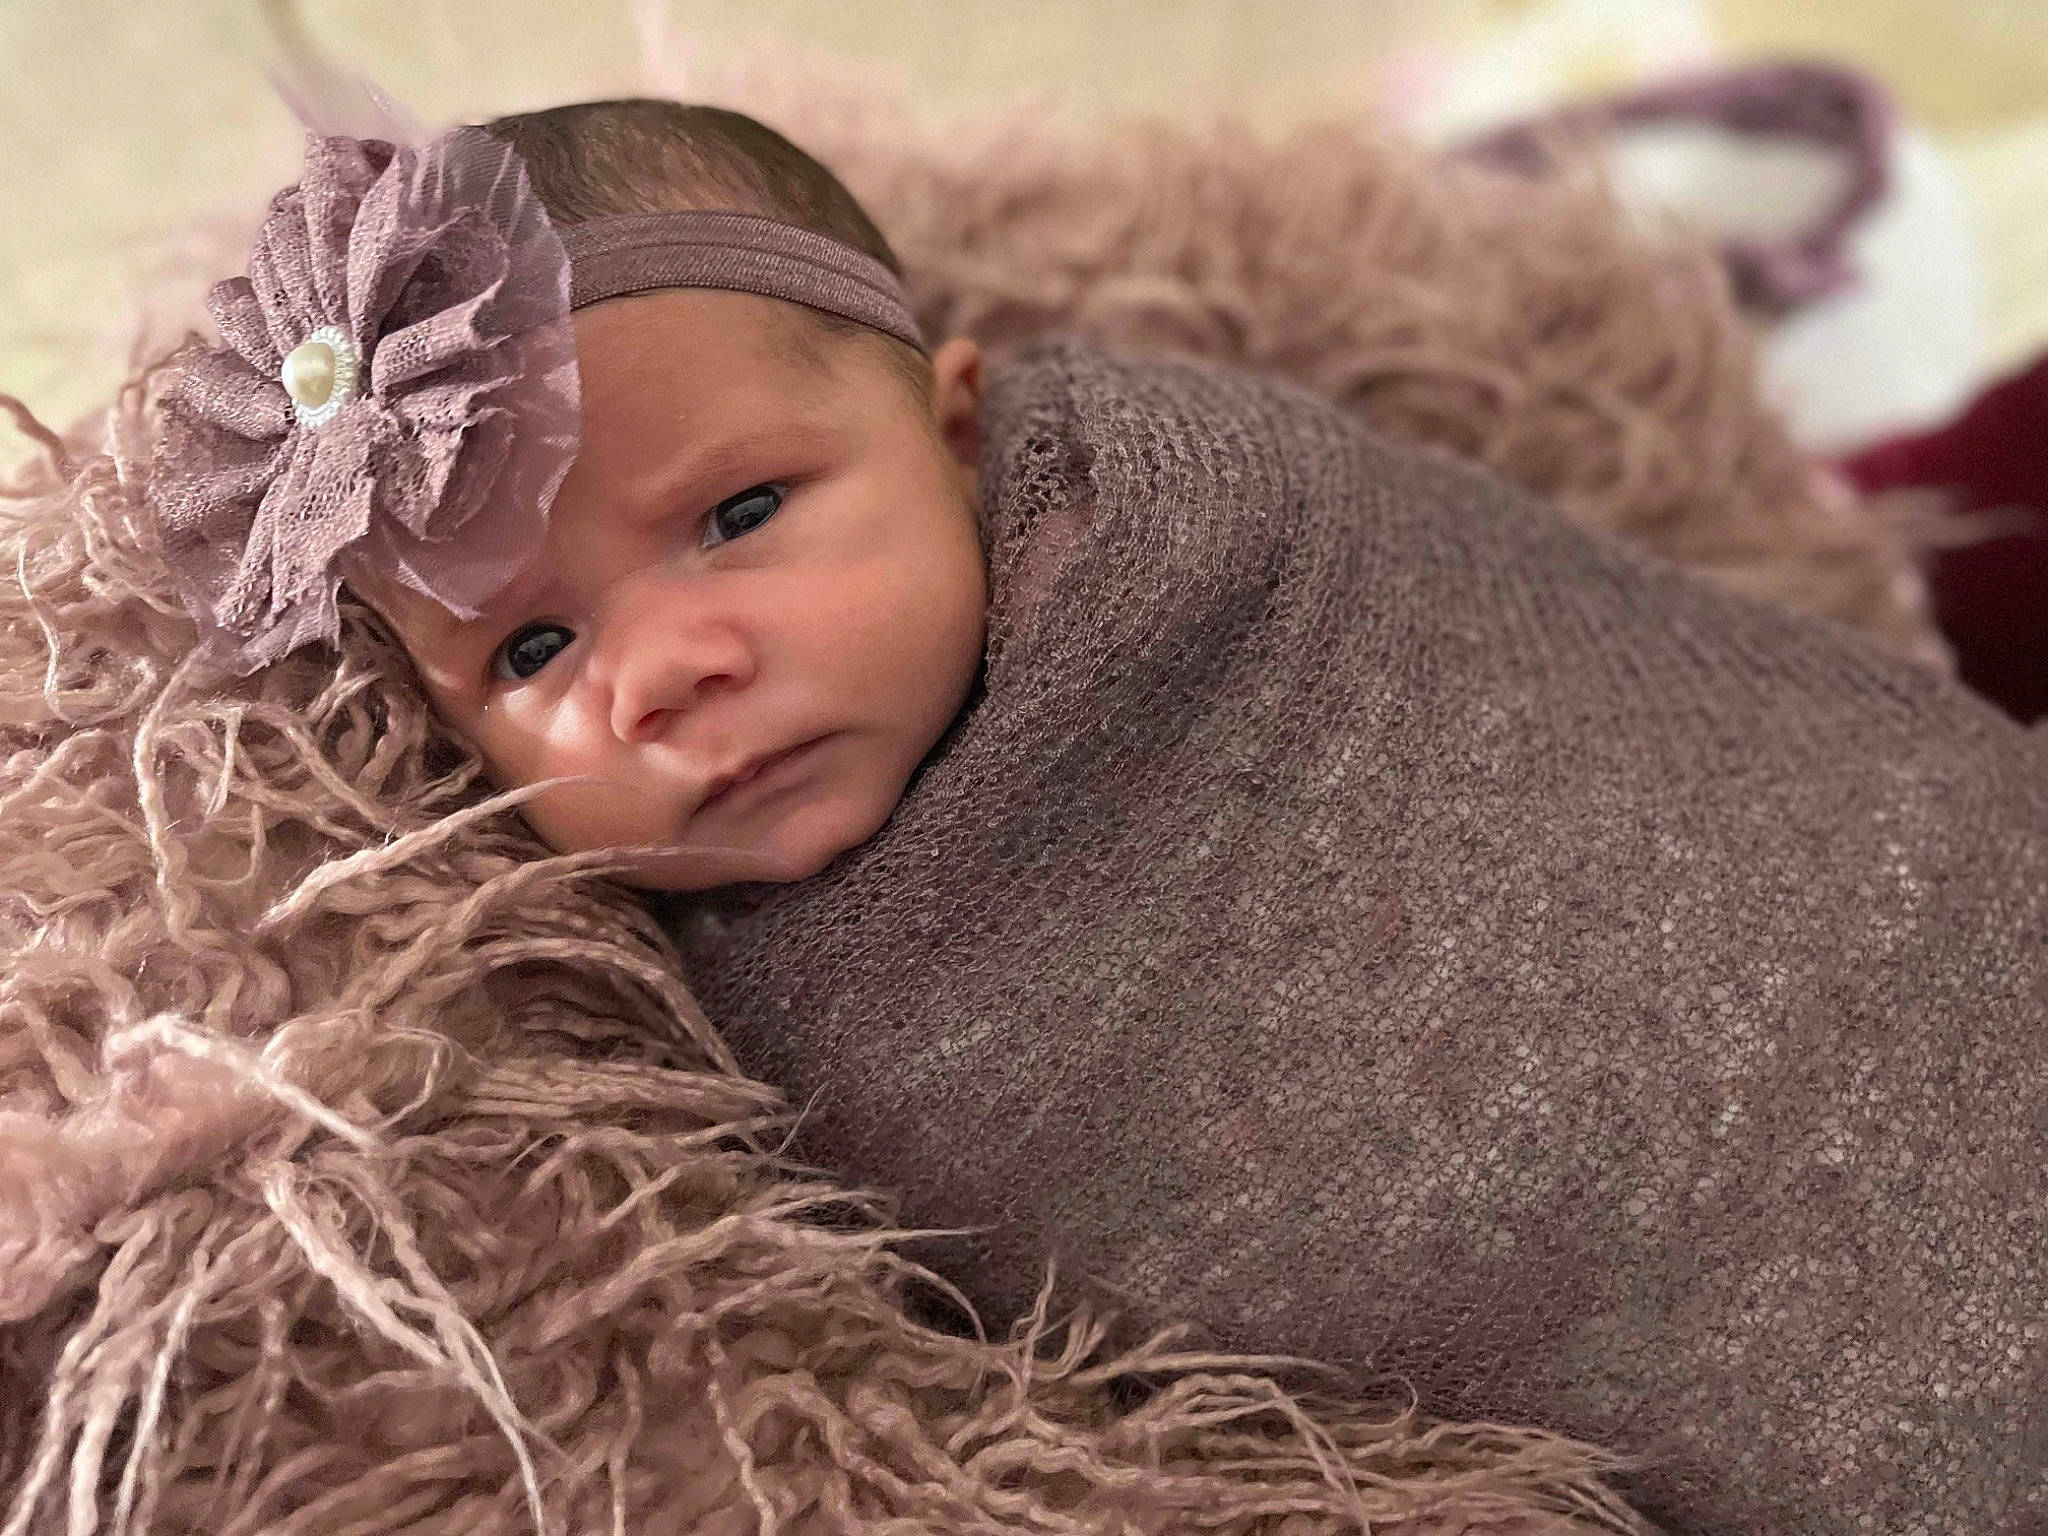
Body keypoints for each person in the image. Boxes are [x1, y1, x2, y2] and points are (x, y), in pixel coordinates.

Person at [148, 96, 2048, 1536]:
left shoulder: (1213, 542)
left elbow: (1663, 747)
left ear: (958, 432)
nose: (661, 675)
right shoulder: (672, 1046)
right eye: (533, 645)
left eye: (739, 516)